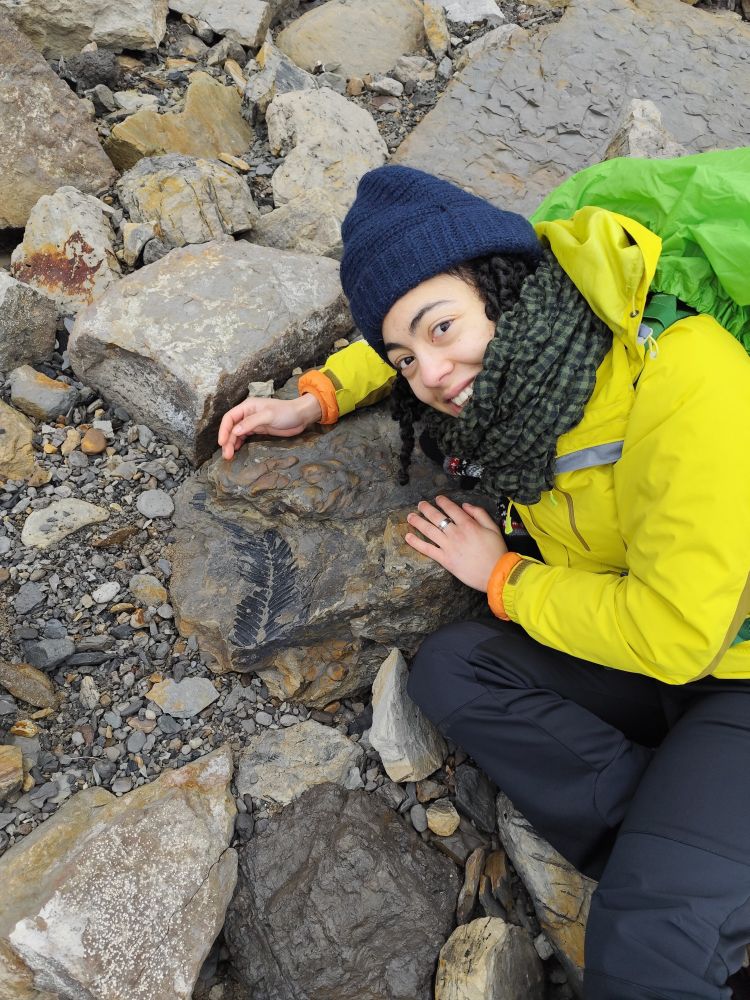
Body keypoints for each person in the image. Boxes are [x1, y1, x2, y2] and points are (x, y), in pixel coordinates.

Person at [219, 158, 750, 1000]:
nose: (428, 376)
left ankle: (677, 892)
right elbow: (410, 327)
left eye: (440, 332)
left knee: (646, 954)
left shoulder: (687, 373)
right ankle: (686, 853)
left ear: (506, 286)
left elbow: (679, 636)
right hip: (645, 650)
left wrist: (504, 577)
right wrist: (317, 395)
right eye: (405, 358)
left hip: (727, 669)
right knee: (455, 669)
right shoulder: (523, 368)